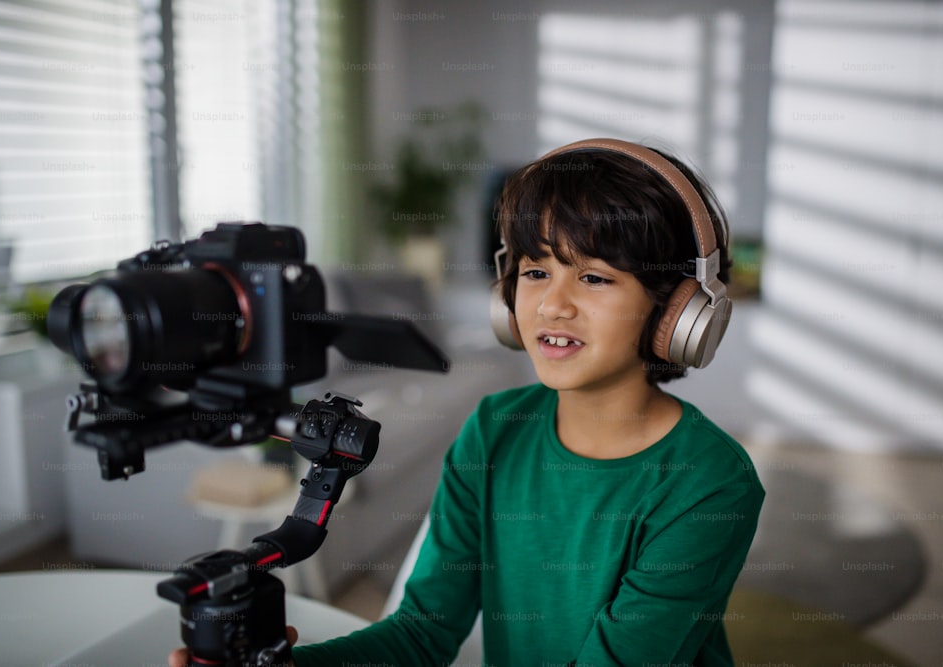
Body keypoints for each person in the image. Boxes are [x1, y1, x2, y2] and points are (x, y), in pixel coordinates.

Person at [170, 138, 765, 666]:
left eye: (594, 278)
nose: (552, 305)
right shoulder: (492, 430)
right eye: (535, 272)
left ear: (677, 313)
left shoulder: (709, 484)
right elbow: (422, 633)